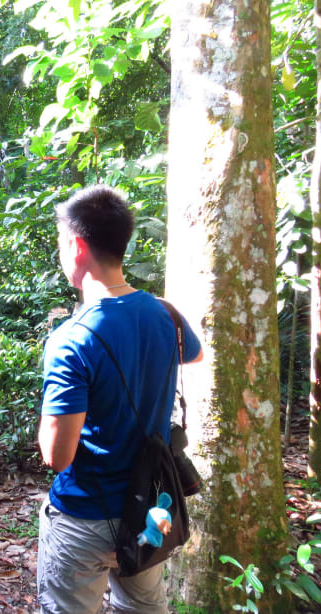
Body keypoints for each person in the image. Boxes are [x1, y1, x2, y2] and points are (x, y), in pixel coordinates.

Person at [36, 185, 204, 614]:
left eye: (60, 244)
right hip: (148, 504)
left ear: (76, 246)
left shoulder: (71, 340)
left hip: (86, 515)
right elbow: (196, 352)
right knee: (144, 607)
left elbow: (56, 455)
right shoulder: (165, 314)